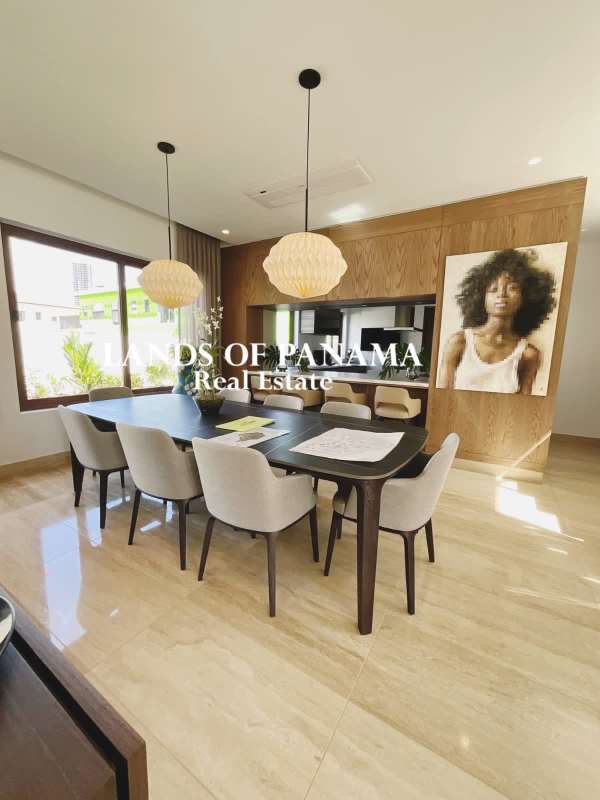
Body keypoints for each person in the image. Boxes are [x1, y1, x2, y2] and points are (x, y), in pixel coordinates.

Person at [438, 248, 556, 394]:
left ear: (526, 297)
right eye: (493, 289)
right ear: (481, 297)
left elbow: (524, 403)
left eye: (512, 288)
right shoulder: (459, 342)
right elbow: (441, 397)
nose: (501, 294)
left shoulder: (528, 355)